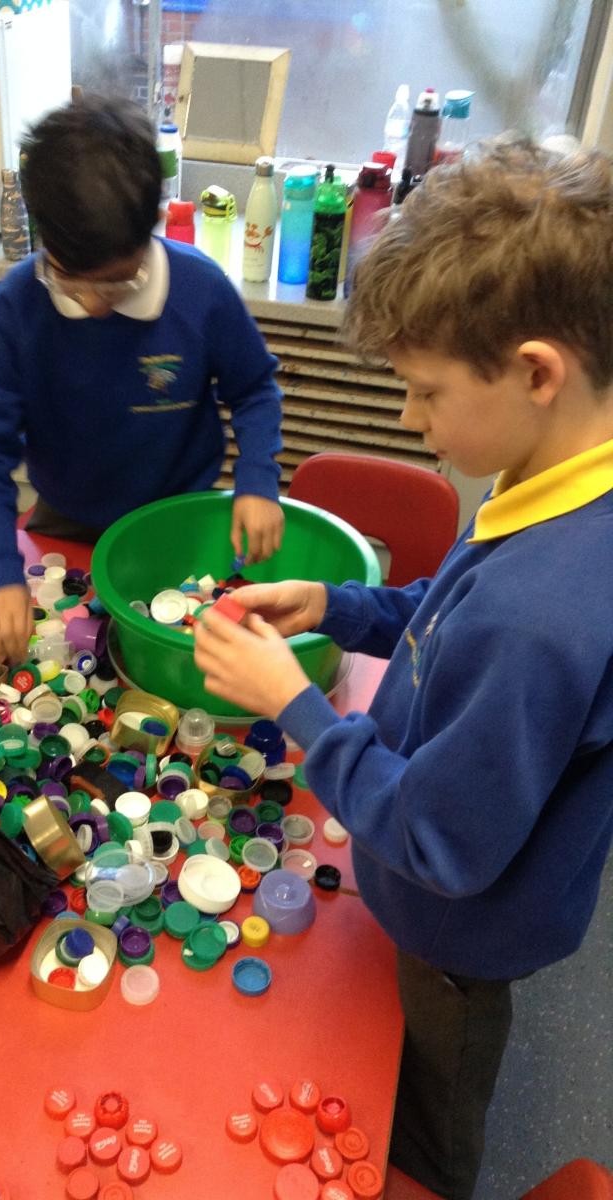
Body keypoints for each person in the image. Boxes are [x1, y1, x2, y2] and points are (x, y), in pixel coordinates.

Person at [193, 140, 613, 1200]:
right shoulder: (555, 475)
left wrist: (295, 706)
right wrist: (341, 607)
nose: (406, 419)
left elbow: (441, 842)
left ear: (535, 372)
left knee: (425, 1116)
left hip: (456, 934)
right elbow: (450, 615)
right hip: (444, 867)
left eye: (425, 391)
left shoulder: (539, 617)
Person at [0, 94, 284, 664]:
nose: (94, 304)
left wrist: (257, 479)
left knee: (175, 649)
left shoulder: (201, 291)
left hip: (178, 517)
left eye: (116, 283)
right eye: (71, 282)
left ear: (152, 226)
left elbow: (253, 388)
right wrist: (1, 571)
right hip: (67, 520)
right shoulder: (16, 308)